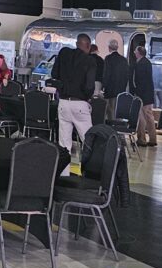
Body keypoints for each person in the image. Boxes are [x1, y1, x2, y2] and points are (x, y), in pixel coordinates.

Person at [52, 34, 96, 175]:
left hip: (63, 103)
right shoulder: (90, 61)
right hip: (80, 104)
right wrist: (87, 97)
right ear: (88, 46)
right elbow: (89, 86)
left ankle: (63, 175)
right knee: (88, 142)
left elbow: (54, 74)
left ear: (77, 44)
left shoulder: (64, 53)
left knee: (64, 144)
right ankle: (89, 174)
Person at [131, 45, 158, 148]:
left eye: (135, 51)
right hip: (148, 94)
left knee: (141, 117)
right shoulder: (147, 62)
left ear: (138, 53)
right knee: (149, 116)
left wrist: (136, 93)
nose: (134, 52)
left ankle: (141, 138)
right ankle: (152, 139)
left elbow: (140, 80)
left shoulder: (140, 64)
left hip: (142, 94)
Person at [101, 40, 129, 120]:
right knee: (118, 110)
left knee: (110, 109)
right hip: (121, 89)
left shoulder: (108, 58)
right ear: (117, 47)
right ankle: (118, 124)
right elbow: (127, 75)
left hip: (110, 89)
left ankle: (111, 125)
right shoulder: (124, 60)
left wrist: (103, 87)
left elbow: (106, 74)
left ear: (109, 48)